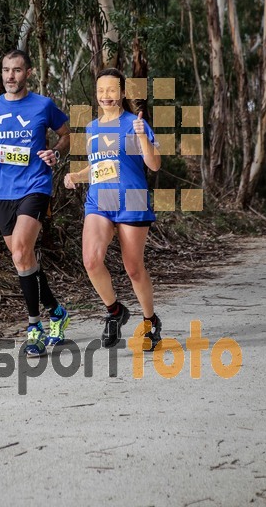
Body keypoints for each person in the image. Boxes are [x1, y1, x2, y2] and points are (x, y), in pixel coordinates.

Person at [0, 49, 71, 357]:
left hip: (35, 186)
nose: (10, 76)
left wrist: (55, 151)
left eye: (16, 70)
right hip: (2, 192)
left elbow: (66, 135)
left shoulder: (43, 105)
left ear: (28, 73)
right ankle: (56, 310)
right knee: (23, 260)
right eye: (5, 70)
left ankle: (34, 327)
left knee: (21, 251)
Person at [64, 67, 162, 351]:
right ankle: (115, 312)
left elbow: (154, 165)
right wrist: (77, 177)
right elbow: (99, 167)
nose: (105, 96)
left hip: (132, 199)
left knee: (133, 268)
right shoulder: (92, 127)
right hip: (99, 200)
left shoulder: (135, 123)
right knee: (91, 260)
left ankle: (150, 321)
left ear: (122, 93)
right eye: (100, 91)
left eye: (111, 90)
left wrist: (143, 136)